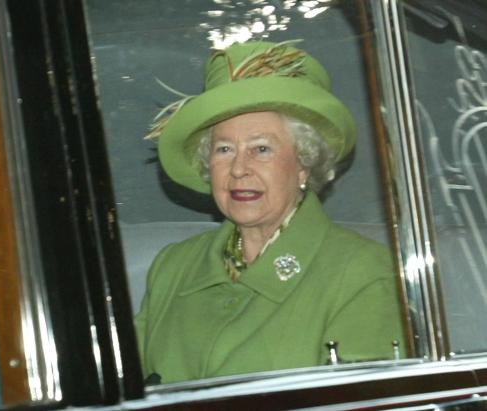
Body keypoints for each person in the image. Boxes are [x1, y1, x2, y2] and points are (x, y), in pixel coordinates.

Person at [135, 40, 406, 384]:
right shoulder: (172, 267)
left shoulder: (363, 271)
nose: (238, 169)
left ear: (304, 164)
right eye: (224, 149)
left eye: (261, 149)